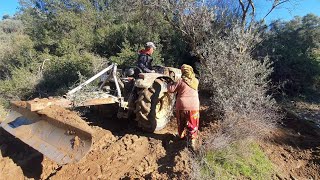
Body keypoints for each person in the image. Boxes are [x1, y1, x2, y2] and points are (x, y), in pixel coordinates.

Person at [167, 64, 200, 149]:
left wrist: (169, 82)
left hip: (181, 105)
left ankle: (180, 136)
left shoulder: (180, 81)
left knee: (181, 122)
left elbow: (171, 90)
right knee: (193, 123)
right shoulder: (196, 81)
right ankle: (192, 140)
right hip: (194, 106)